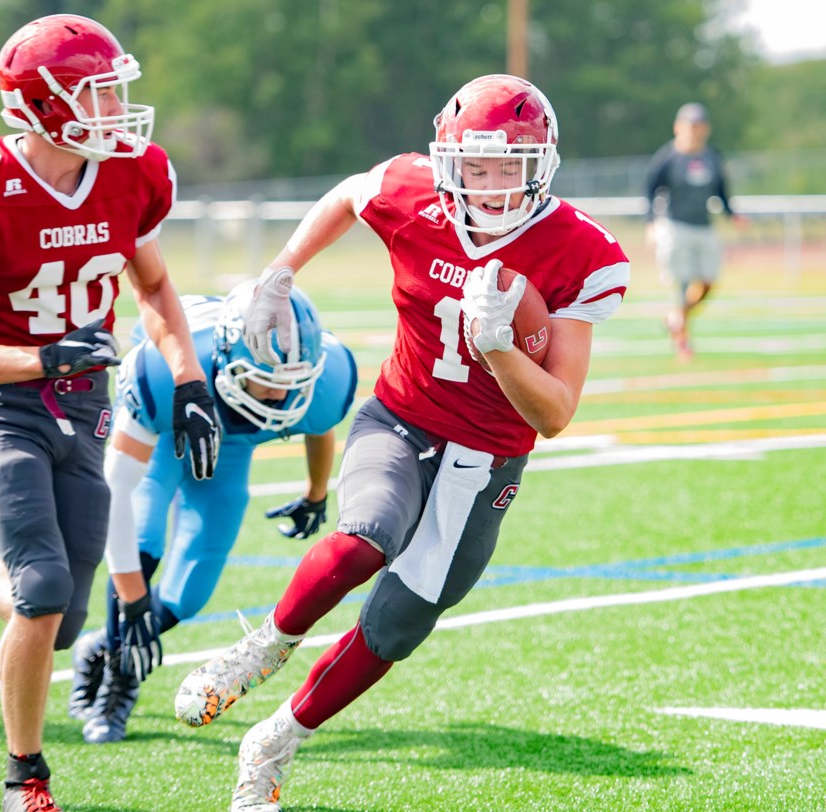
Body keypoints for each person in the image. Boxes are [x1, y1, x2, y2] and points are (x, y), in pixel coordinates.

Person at [174, 74, 630, 811]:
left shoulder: (581, 251)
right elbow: (349, 194)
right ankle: (265, 644)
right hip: (401, 416)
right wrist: (281, 272)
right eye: (475, 165)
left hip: (488, 457)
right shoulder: (409, 190)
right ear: (447, 160)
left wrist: (501, 350)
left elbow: (556, 414)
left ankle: (277, 739)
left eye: (509, 165)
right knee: (364, 539)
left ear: (540, 163)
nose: (490, 182)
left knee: (400, 620)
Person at [0, 14, 220, 812]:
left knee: (60, 621)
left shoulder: (132, 174)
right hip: (0, 403)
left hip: (84, 402)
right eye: (97, 93)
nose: (116, 108)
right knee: (39, 588)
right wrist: (37, 360)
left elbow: (154, 289)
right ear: (41, 103)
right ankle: (25, 778)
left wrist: (190, 380)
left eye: (115, 90)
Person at [68, 284, 357, 745]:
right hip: (167, 430)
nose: (282, 397)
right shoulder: (161, 373)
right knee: (142, 544)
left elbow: (319, 424)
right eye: (268, 380)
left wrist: (316, 492)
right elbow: (117, 497)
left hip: (232, 451)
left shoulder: (325, 379)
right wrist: (133, 601)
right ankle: (119, 686)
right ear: (226, 359)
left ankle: (103, 644)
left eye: (295, 383)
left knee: (191, 590)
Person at [645, 102, 748, 359]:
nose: (694, 130)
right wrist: (651, 222)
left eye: (698, 125)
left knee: (708, 282)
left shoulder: (712, 156)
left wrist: (732, 213)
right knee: (681, 283)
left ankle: (675, 318)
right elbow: (650, 190)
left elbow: (722, 190)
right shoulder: (668, 157)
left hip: (704, 226)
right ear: (678, 127)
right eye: (690, 124)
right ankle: (683, 340)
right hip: (675, 225)